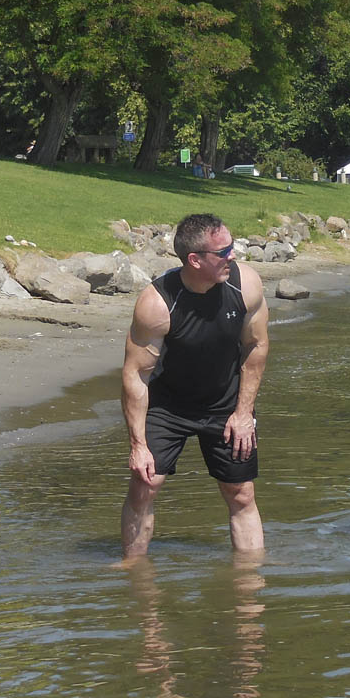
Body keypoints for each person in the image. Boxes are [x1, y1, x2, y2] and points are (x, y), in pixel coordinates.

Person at [121, 213, 269, 558]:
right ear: (195, 260)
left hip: (226, 403)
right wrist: (138, 445)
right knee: (145, 484)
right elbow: (136, 375)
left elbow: (256, 346)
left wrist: (243, 414)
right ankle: (133, 571)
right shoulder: (157, 303)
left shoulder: (246, 284)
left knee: (240, 492)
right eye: (224, 251)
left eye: (232, 246)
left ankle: (249, 579)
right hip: (167, 404)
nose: (233, 255)